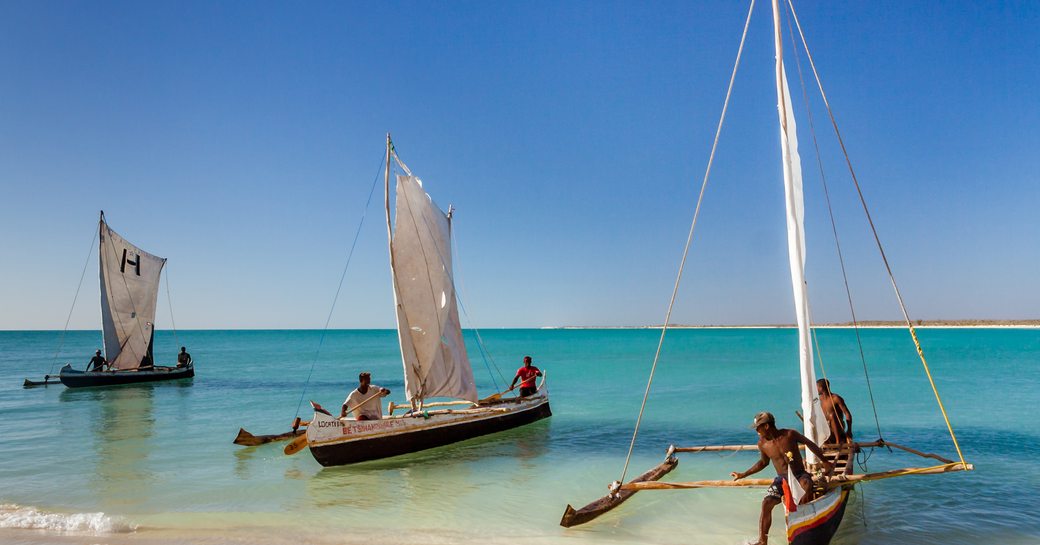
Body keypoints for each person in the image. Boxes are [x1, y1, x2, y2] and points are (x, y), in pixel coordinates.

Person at [730, 412, 834, 545]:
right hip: (782, 479)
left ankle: (803, 521)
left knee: (806, 485)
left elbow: (809, 443)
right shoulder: (762, 444)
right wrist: (743, 474)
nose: (756, 430)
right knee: (766, 503)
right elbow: (763, 463)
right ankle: (763, 541)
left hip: (799, 474)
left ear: (766, 426)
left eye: (758, 427)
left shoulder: (790, 434)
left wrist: (825, 461)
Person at [817, 379, 852, 445]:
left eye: (817, 387)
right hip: (827, 429)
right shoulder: (820, 399)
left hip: (838, 428)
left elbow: (847, 414)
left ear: (821, 388)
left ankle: (838, 442)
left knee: (832, 415)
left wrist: (849, 430)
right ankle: (825, 443)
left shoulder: (836, 399)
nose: (816, 390)